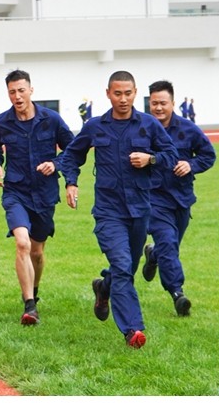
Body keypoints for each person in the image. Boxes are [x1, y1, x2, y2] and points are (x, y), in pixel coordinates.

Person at [57, 71, 177, 349]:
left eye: (128, 93)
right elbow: (72, 155)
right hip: (108, 211)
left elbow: (171, 155)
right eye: (117, 93)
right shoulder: (95, 126)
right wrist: (71, 183)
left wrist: (150, 158)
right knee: (123, 266)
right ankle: (133, 329)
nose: (123, 99)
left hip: (140, 210)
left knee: (126, 269)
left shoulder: (148, 124)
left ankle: (103, 287)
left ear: (135, 93)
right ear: (108, 94)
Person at [0, 70, 75, 325]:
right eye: (12, 92)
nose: (17, 96)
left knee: (36, 252)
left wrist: (56, 165)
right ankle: (29, 305)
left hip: (45, 194)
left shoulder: (51, 119)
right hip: (15, 191)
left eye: (21, 90)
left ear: (31, 90)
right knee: (22, 243)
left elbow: (72, 149)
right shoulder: (1, 122)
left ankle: (34, 289)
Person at [141, 80, 215, 317]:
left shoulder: (188, 129)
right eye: (154, 103)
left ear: (173, 103)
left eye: (163, 103)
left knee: (169, 246)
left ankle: (153, 254)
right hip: (153, 198)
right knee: (168, 242)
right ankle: (177, 294)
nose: (158, 108)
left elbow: (208, 155)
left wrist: (191, 164)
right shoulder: (141, 128)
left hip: (181, 199)